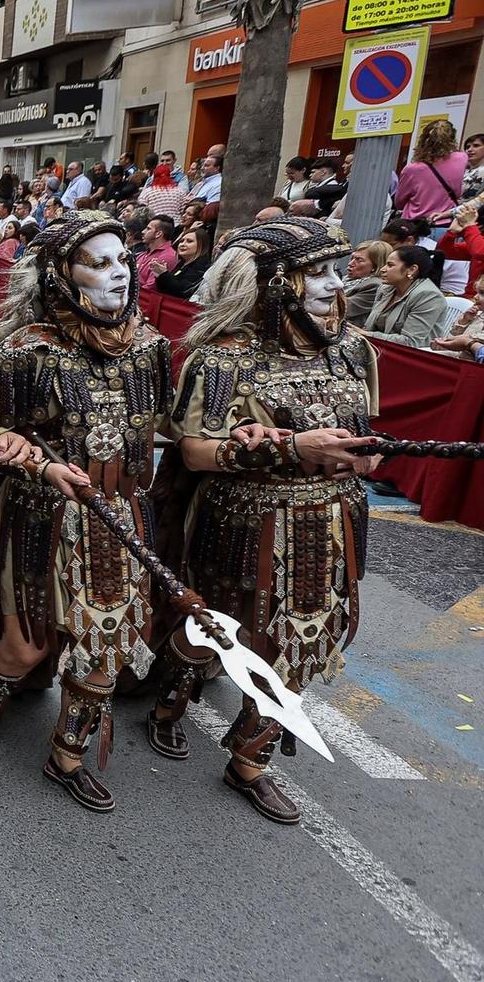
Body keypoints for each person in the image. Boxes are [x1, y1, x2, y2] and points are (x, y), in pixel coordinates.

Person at [0, 212, 172, 814]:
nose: (118, 275)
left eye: (122, 261)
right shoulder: (27, 353)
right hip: (37, 518)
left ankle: (68, 756)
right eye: (98, 263)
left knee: (104, 648)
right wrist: (24, 455)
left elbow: (173, 436)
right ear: (61, 274)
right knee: (24, 647)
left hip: (119, 521)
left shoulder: (153, 349)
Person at [144, 218, 379, 824]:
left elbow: (369, 434)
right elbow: (193, 448)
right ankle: (170, 695)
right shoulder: (222, 360)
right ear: (275, 283)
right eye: (317, 273)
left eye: (336, 269)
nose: (334, 283)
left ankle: (250, 757)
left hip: (335, 520)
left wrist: (368, 453)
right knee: (221, 627)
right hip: (246, 519)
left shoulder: (355, 349)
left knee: (307, 639)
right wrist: (291, 448)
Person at [361, 245, 449, 348]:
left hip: (411, 357)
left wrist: (366, 335)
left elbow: (410, 342)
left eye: (390, 265)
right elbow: (369, 326)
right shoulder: (386, 288)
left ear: (412, 270)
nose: (382, 269)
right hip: (379, 348)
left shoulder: (428, 296)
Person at [393, 120, 464, 225]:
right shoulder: (461, 158)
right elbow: (458, 192)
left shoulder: (412, 169)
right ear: (452, 139)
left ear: (423, 140)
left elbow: (399, 202)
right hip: (446, 223)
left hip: (415, 225)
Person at [154, 226, 213, 300]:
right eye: (181, 241)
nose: (183, 244)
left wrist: (164, 274)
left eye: (189, 241)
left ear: (201, 245)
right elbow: (165, 290)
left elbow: (184, 291)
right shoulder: (182, 263)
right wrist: (159, 276)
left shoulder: (202, 266)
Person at [134, 216, 181, 288]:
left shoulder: (167, 256)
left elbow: (150, 288)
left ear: (158, 234)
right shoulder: (142, 254)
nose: (143, 232)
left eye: (148, 229)